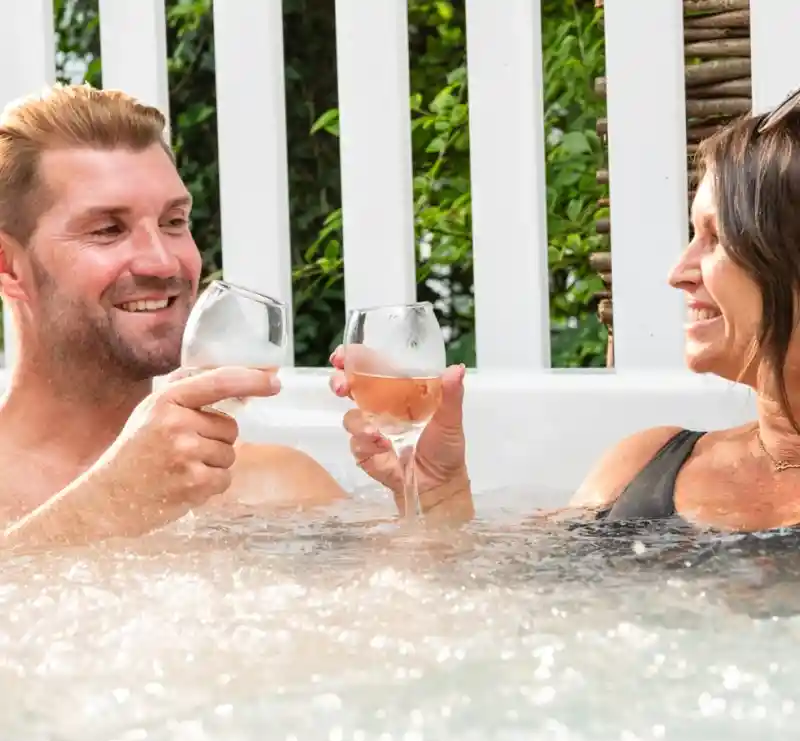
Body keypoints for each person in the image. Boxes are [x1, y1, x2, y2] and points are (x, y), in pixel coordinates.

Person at [331, 95, 800, 534]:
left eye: (717, 238)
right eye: (693, 233)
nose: (679, 273)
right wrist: (435, 494)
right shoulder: (640, 467)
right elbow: (499, 605)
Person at [0, 83, 344, 550]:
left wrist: (439, 503)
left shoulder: (276, 491)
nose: (163, 262)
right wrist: (108, 504)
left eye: (173, 222)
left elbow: (416, 616)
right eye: (107, 230)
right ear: (8, 265)